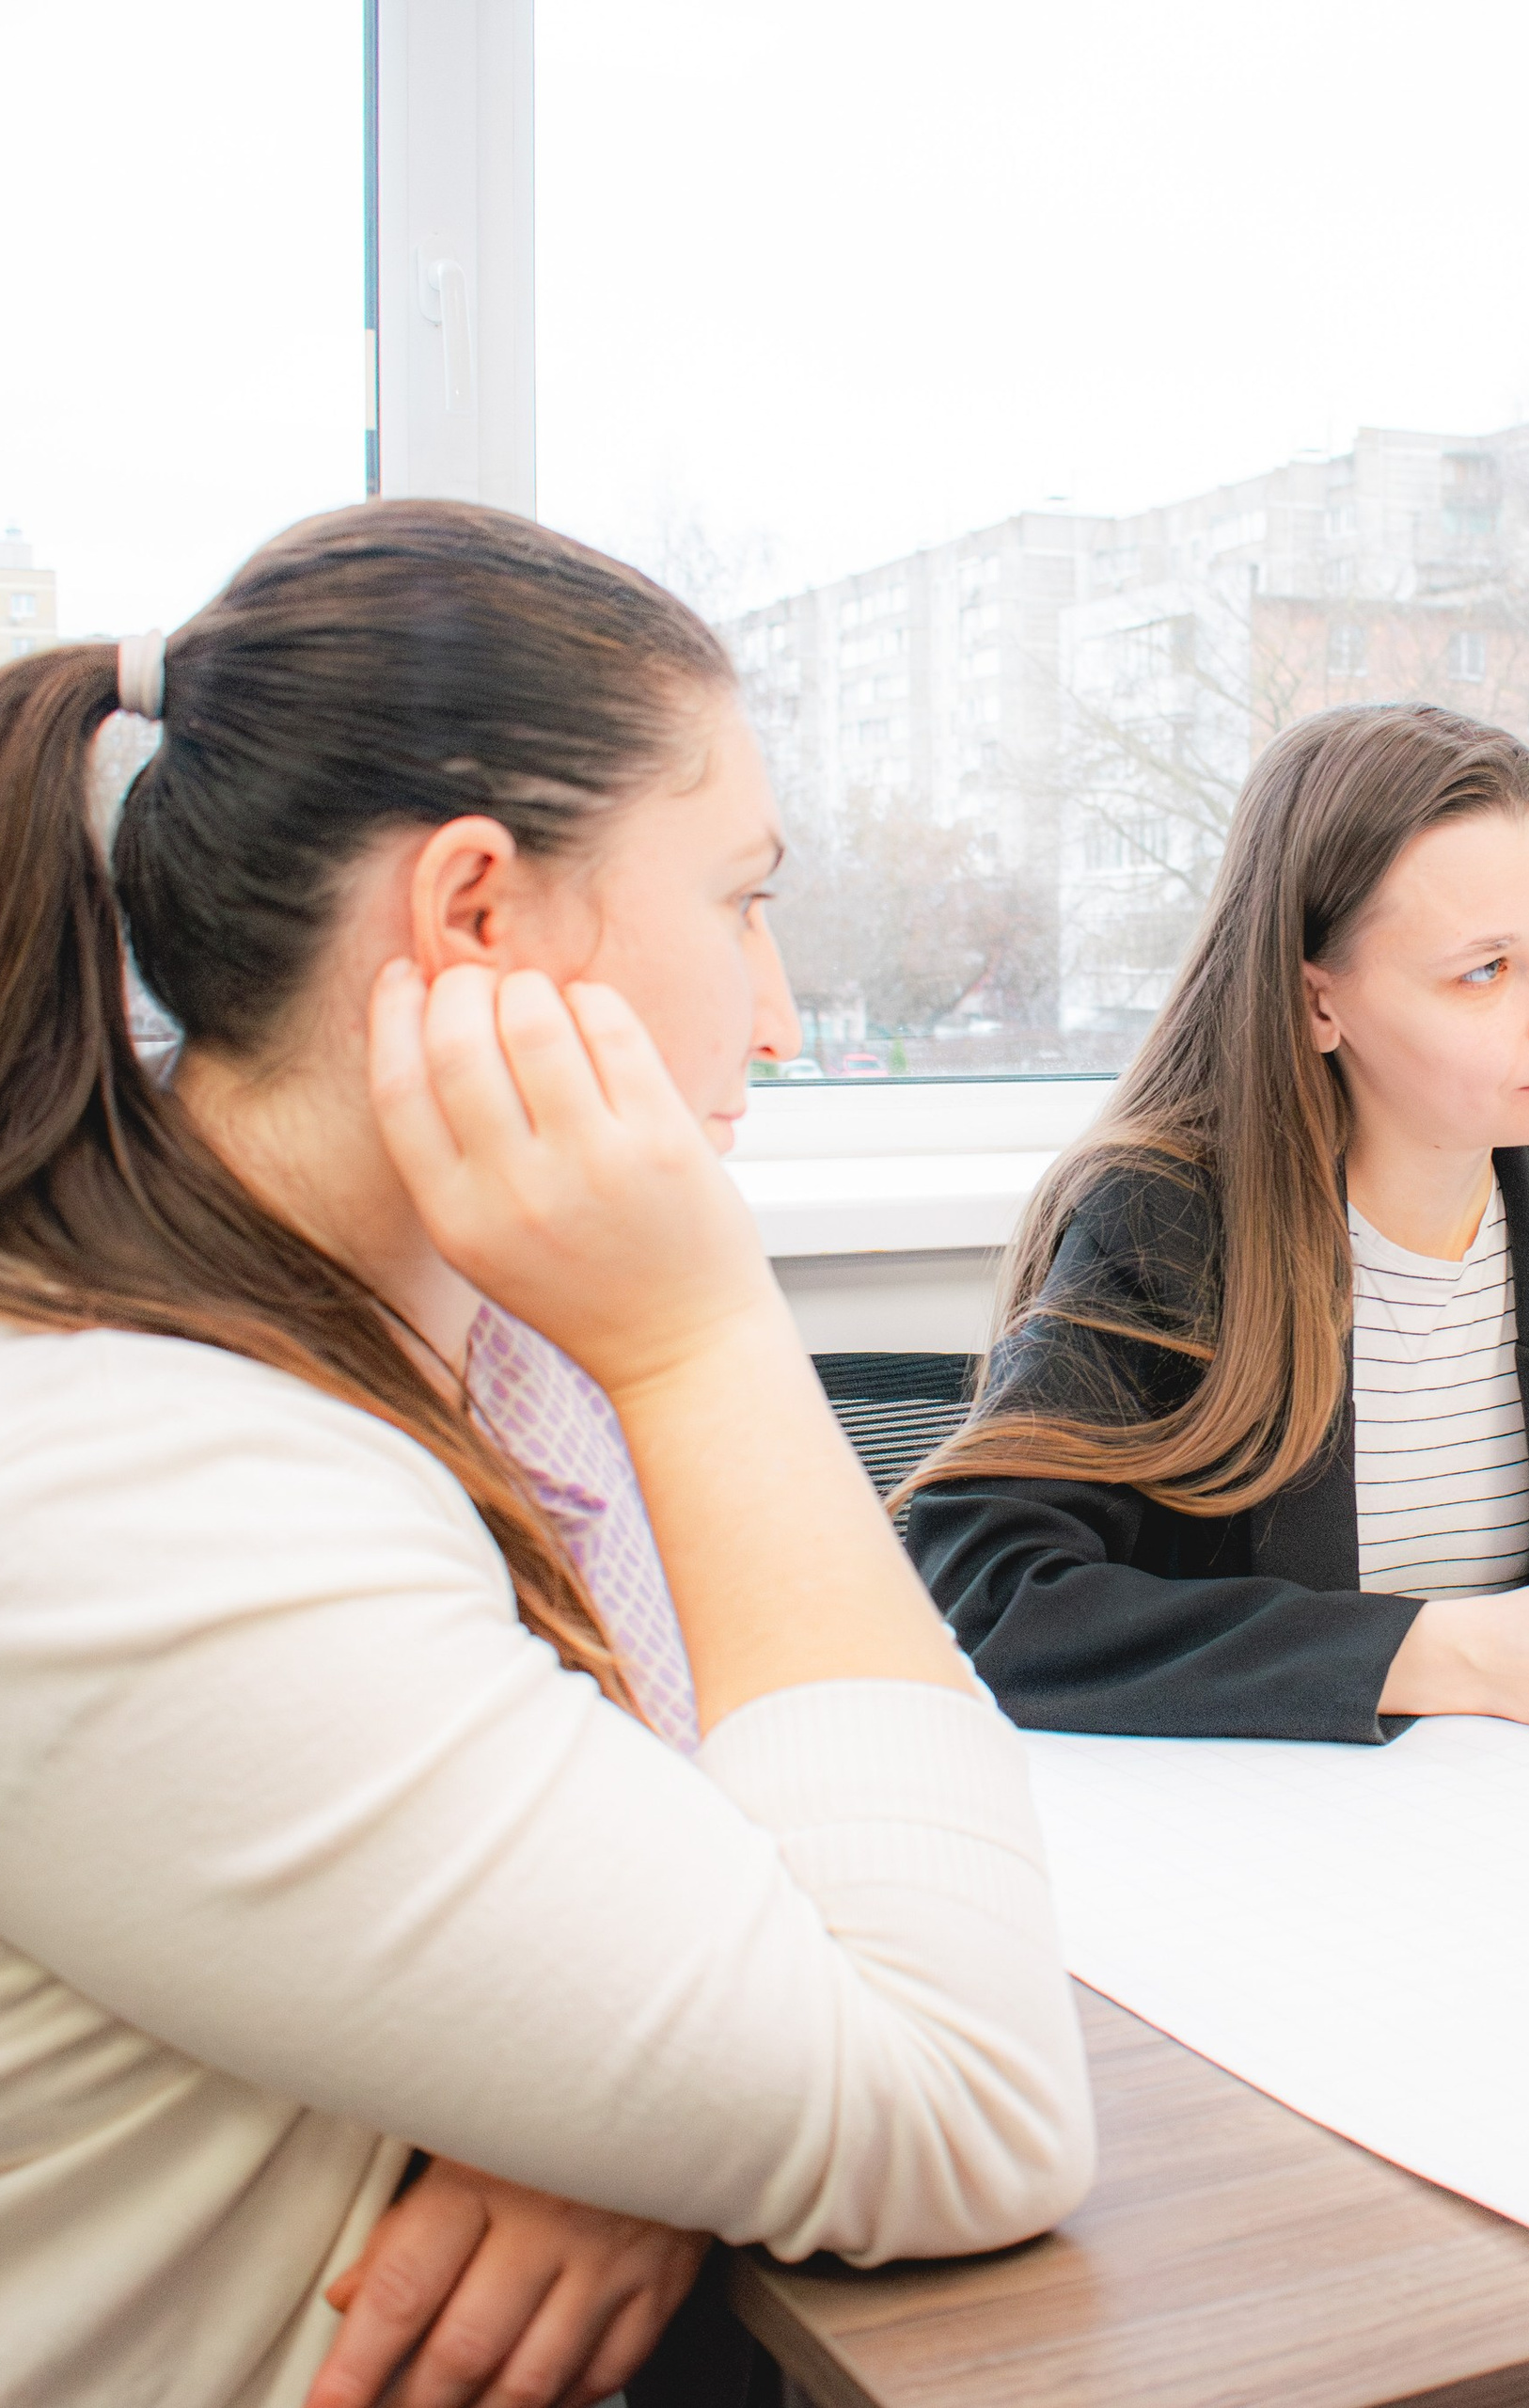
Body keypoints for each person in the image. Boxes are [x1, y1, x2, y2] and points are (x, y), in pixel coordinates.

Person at [0, 502, 1093, 2408]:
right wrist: (705, 1333)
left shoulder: (476, 1328)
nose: (773, 1008)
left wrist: (644, 2111)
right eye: (742, 899)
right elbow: (959, 2087)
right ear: (478, 911)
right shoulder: (141, 1484)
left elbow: (810, 1880)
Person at [902, 703, 1529, 1745]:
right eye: (1484, 969)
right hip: (1273, 1837)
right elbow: (998, 1596)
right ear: (1318, 1003)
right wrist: (1453, 1653)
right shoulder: (1167, 1220)